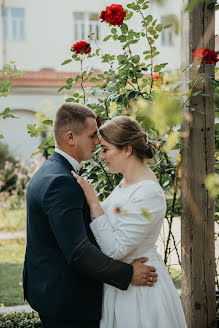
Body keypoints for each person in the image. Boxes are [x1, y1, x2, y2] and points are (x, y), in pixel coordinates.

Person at [23, 103, 158, 328]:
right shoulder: (61, 181)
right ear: (70, 137)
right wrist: (128, 274)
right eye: (93, 135)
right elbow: (78, 252)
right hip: (68, 301)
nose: (97, 142)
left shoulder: (52, 171)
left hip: (51, 290)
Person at [72, 116, 187, 328]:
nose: (101, 155)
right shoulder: (125, 184)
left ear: (127, 149)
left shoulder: (148, 193)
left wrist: (94, 204)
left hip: (141, 294)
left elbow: (116, 250)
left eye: (106, 149)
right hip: (122, 283)